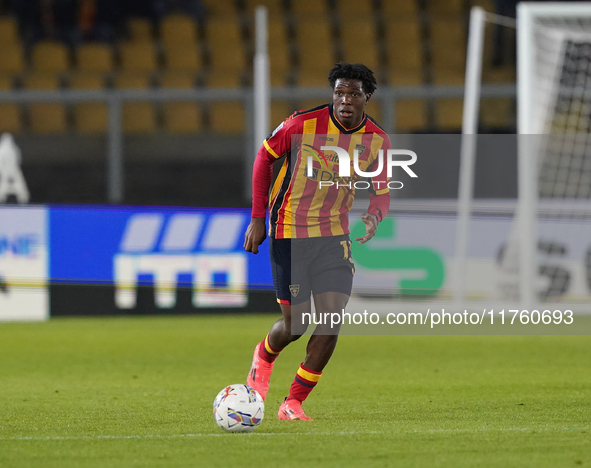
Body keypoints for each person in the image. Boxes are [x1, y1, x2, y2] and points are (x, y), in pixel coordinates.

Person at [243, 62, 391, 421]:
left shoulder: (377, 141)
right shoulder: (301, 125)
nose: (344, 100)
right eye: (339, 92)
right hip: (290, 232)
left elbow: (382, 191)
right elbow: (264, 157)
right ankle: (263, 358)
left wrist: (374, 216)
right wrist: (257, 218)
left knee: (331, 321)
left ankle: (292, 403)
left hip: (333, 239)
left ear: (366, 97)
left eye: (353, 94)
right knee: (296, 325)